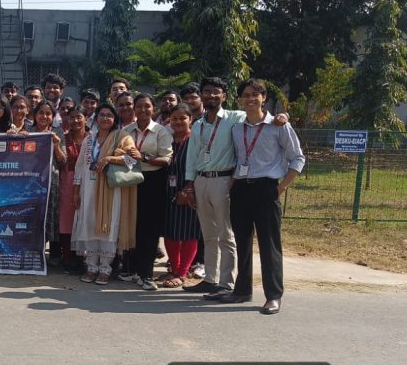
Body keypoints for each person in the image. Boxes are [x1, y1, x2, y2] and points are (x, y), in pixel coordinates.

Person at [181, 77, 290, 297]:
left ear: (225, 96)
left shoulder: (235, 118)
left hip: (225, 180)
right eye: (207, 91)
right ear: (202, 96)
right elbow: (191, 158)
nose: (211, 95)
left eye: (216, 92)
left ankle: (225, 283)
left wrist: (284, 116)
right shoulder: (198, 124)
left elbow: (259, 114)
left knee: (225, 234)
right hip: (201, 180)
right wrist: (189, 185)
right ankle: (210, 279)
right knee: (208, 234)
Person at [216, 79, 305, 315]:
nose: (250, 99)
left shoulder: (278, 126)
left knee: (269, 244)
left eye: (255, 95)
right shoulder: (237, 128)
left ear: (264, 98)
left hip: (267, 189)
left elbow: (298, 158)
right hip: (241, 189)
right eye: (246, 95)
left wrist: (281, 188)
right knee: (242, 242)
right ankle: (242, 290)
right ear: (240, 99)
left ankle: (273, 296)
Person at [71, 103, 138, 285]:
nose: (105, 118)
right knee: (89, 224)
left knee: (108, 226)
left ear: (114, 119)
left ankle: (105, 269)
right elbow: (79, 168)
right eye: (102, 115)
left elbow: (133, 160)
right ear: (96, 118)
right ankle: (91, 266)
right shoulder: (89, 139)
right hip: (88, 190)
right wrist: (76, 192)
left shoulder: (122, 137)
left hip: (111, 191)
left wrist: (110, 158)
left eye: (109, 115)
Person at [121, 93, 172, 291]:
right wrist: (128, 157)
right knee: (132, 226)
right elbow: (120, 154)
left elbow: (166, 159)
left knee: (150, 229)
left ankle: (147, 274)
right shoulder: (126, 131)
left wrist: (143, 157)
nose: (143, 110)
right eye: (139, 106)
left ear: (154, 108)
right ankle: (134, 270)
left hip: (153, 181)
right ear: (134, 109)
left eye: (147, 106)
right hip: (130, 179)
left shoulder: (161, 131)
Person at [161, 105, 202, 288]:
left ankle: (182, 273)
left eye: (182, 118)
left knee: (188, 232)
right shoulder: (166, 140)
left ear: (190, 120)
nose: (178, 122)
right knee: (170, 231)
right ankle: (174, 268)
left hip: (189, 191)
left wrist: (189, 189)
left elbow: (200, 166)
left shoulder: (195, 140)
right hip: (168, 192)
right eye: (174, 118)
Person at [31, 100, 66, 263]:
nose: (44, 116)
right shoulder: (28, 132)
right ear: (35, 115)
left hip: (51, 181)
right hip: (30, 182)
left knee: (51, 216)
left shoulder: (57, 133)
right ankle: (33, 253)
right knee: (32, 216)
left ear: (52, 117)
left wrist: (56, 145)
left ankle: (54, 254)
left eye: (48, 113)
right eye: (41, 113)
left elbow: (63, 160)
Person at [58, 108, 88, 272]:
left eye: (79, 117)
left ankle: (84, 257)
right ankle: (68, 257)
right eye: (72, 118)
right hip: (67, 181)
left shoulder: (93, 138)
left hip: (89, 182)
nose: (75, 121)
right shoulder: (63, 137)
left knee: (86, 218)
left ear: (86, 119)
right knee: (66, 220)